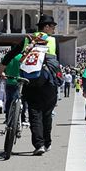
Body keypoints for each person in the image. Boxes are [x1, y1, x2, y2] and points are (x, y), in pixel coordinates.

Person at [15, 14, 60, 155]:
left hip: (30, 78)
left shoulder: (27, 39)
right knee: (47, 113)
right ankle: (47, 142)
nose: (53, 30)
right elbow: (56, 60)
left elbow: (13, 54)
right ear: (46, 27)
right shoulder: (52, 41)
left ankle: (39, 144)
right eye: (52, 27)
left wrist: (2, 68)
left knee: (34, 112)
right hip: (48, 80)